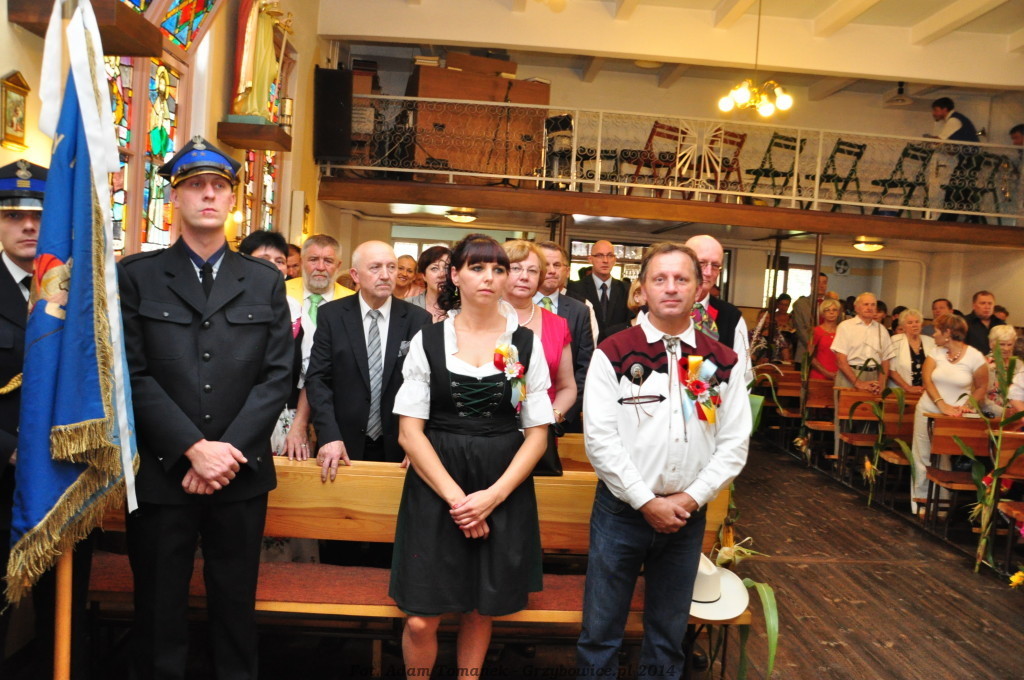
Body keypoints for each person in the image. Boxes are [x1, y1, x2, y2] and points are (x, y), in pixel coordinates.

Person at [118, 137, 292, 679]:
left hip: (239, 473)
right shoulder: (137, 275)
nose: (209, 195)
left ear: (234, 199)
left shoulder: (264, 280)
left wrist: (225, 452)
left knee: (235, 607)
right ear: (176, 198)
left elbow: (277, 376)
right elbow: (131, 373)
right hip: (163, 470)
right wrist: (193, 448)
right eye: (196, 185)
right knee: (157, 610)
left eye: (219, 186)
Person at [577, 242, 750, 678]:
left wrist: (690, 498)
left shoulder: (721, 360)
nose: (671, 288)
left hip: (686, 514)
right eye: (660, 279)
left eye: (681, 279)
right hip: (621, 511)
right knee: (601, 629)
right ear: (642, 289)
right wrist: (645, 500)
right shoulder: (613, 352)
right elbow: (600, 439)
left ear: (699, 288)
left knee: (668, 633)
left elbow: (734, 442)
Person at [390, 234, 552, 678]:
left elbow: (537, 436)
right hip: (436, 484)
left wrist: (492, 497)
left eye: (499, 269)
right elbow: (409, 434)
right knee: (421, 617)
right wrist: (460, 501)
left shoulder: (526, 343)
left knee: (480, 608)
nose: (490, 278)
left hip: (502, 482)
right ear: (455, 275)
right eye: (478, 268)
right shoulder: (428, 340)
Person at [306, 240, 430, 469]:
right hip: (340, 444)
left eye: (391, 267)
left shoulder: (417, 319)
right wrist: (329, 434)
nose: (386, 275)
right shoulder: (332, 316)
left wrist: (418, 442)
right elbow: (318, 379)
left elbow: (425, 386)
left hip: (400, 445)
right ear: (355, 275)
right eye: (375, 267)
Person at [285, 234, 354, 463]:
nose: (321, 267)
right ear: (301, 261)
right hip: (286, 401)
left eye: (328, 261)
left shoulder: (353, 302)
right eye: (313, 259)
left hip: (334, 406)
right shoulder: (282, 294)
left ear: (339, 265)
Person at [237, 230, 307, 459]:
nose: (273, 267)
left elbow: (309, 374)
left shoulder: (296, 310)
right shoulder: (225, 305)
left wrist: (299, 425)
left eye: (280, 261)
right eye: (264, 259)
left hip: (284, 421)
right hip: (233, 416)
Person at [909, 313, 987, 513]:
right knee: (922, 456)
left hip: (955, 417)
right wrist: (941, 404)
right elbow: (927, 380)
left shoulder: (974, 356)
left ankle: (941, 505)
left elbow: (981, 386)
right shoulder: (935, 353)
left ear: (948, 333)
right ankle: (921, 503)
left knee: (944, 458)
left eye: (936, 330)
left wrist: (967, 405)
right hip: (928, 410)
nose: (933, 334)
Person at [502, 240, 576, 430]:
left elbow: (567, 387)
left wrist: (550, 418)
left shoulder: (557, 325)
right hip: (488, 430)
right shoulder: (481, 318)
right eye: (516, 268)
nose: (525, 276)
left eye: (533, 271)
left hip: (541, 428)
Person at [535, 241, 595, 433]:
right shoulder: (514, 307)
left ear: (567, 271)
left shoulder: (580, 310)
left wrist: (562, 413)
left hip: (563, 419)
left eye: (557, 265)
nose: (552, 270)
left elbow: (585, 367)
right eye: (545, 265)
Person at [684, 235, 751, 382]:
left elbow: (744, 375)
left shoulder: (731, 317)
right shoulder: (658, 311)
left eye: (715, 265)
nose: (708, 272)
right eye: (701, 263)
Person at [926, 97, 981, 221]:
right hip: (968, 158)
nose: (934, 113)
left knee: (956, 187)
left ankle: (949, 218)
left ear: (945, 109)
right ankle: (966, 218)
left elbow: (939, 140)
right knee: (962, 189)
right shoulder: (955, 120)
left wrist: (928, 140)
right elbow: (951, 148)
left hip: (970, 158)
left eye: (936, 110)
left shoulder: (954, 120)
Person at [566, 240, 632, 342]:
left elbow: (630, 323)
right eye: (599, 256)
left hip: (617, 345)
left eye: (610, 255)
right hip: (586, 346)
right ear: (590, 259)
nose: (605, 260)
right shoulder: (575, 289)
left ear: (615, 259)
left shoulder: (626, 289)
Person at [831, 292, 892, 393]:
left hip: (873, 375)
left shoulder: (882, 329)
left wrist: (882, 383)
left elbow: (886, 360)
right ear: (856, 307)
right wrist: (858, 383)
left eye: (873, 305)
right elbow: (841, 360)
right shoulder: (845, 326)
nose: (869, 308)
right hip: (850, 374)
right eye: (866, 304)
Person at [886, 308, 935, 395]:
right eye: (910, 323)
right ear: (903, 326)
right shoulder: (895, 341)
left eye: (917, 322)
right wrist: (907, 387)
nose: (914, 325)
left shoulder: (931, 341)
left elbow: (934, 368)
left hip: (925, 391)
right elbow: (891, 369)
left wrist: (927, 386)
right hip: (900, 391)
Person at [982, 325, 1023, 419]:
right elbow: (981, 398)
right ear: (991, 343)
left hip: (1018, 416)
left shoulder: (1019, 365)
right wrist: (1003, 412)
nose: (1006, 349)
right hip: (991, 417)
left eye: (1009, 344)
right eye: (1002, 344)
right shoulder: (983, 364)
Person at [406, 245, 451, 322]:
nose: (442, 274)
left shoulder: (461, 308)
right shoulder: (407, 305)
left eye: (447, 268)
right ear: (424, 276)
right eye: (434, 268)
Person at [793, 271, 828, 362]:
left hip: (827, 352)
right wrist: (814, 344)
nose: (821, 285)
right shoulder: (800, 304)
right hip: (805, 350)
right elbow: (800, 329)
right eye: (818, 282)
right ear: (811, 285)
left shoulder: (833, 304)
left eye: (824, 283)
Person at [809, 298, 842, 381]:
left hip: (839, 375)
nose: (831, 312)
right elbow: (809, 355)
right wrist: (826, 372)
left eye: (834, 310)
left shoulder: (842, 331)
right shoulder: (816, 331)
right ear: (822, 314)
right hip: (820, 375)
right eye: (827, 310)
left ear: (838, 313)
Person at [964, 290, 1004, 356]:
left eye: (990, 303)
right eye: (983, 303)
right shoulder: (964, 322)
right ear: (974, 306)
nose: (987, 307)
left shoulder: (1000, 324)